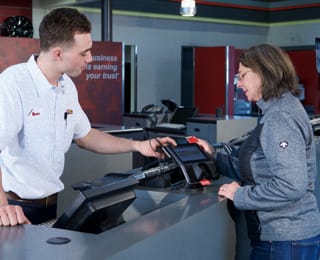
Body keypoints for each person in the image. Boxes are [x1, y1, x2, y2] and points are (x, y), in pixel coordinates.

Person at [0, 8, 176, 226]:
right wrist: (2, 207)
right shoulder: (13, 84)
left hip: (50, 205)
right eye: (84, 53)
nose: (90, 58)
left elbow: (86, 136)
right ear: (57, 53)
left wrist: (139, 146)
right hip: (12, 210)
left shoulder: (67, 87)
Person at [200, 43, 320, 259]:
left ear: (265, 72)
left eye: (243, 75)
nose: (239, 84)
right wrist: (213, 155)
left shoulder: (279, 118)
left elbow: (291, 185)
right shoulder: (277, 109)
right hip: (285, 240)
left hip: (285, 240)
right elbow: (259, 169)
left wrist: (240, 195)